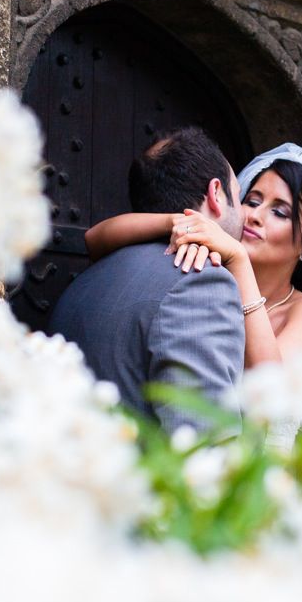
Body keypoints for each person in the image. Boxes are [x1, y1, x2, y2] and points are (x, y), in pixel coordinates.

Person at [84, 142, 302, 392]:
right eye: (253, 200)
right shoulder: (210, 278)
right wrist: (178, 220)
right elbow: (94, 239)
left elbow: (270, 389)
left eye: (279, 212)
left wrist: (239, 261)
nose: (255, 215)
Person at [49, 128, 246, 434]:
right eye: (240, 196)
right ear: (216, 193)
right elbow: (206, 445)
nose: (247, 214)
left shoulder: (84, 282)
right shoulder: (199, 282)